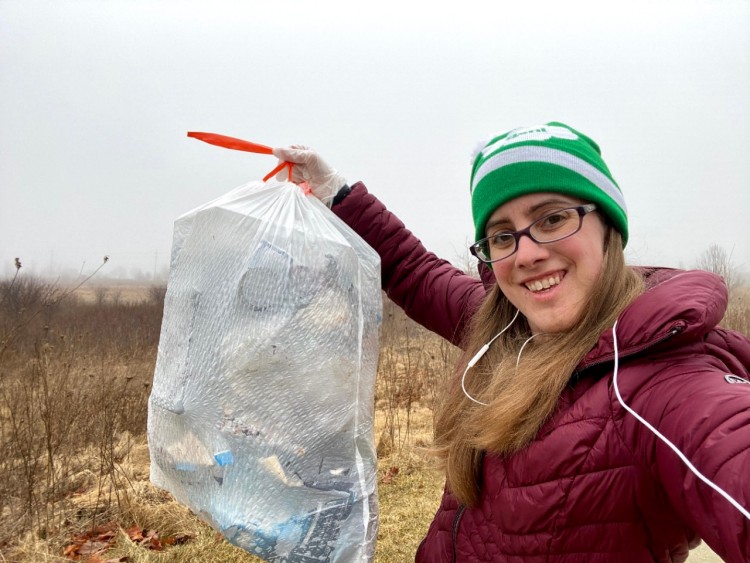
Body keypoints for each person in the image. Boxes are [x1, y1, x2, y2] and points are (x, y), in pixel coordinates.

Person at [272, 122, 750, 562]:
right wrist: (336, 193)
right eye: (502, 236)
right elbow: (413, 270)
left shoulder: (660, 381)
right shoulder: (504, 328)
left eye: (552, 218)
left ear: (608, 226)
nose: (527, 254)